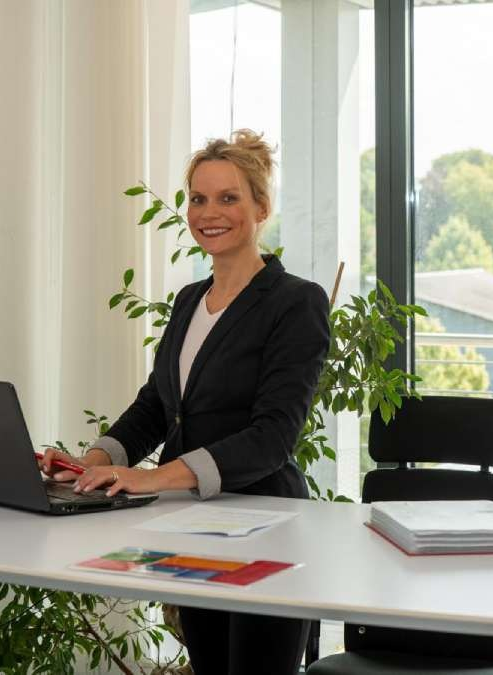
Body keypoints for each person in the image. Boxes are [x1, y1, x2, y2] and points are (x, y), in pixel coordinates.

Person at [39, 129, 330, 674]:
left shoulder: (296, 302)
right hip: (194, 525)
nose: (209, 212)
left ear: (261, 207)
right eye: (198, 198)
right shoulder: (189, 300)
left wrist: (154, 477)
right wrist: (94, 461)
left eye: (228, 198)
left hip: (265, 522)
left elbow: (274, 437)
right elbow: (158, 404)